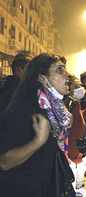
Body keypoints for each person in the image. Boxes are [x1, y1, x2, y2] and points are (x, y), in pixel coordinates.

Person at [0, 53, 75, 197]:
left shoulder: (54, 109)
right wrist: (37, 142)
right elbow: (4, 161)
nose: (68, 75)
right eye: (60, 70)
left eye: (65, 69)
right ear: (42, 78)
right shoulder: (26, 109)